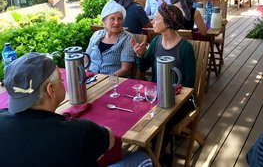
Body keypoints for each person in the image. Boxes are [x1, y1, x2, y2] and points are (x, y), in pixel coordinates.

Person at [0, 52, 151, 167]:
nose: (62, 82)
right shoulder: (79, 131)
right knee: (141, 158)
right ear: (51, 90)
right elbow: (110, 138)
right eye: (61, 79)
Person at [131, 3, 196, 166]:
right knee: (136, 108)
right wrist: (140, 55)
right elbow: (144, 67)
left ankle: (162, 151)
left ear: (167, 23)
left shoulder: (185, 48)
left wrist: (170, 94)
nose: (152, 21)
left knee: (162, 119)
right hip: (156, 97)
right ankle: (152, 149)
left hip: (182, 101)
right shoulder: (156, 43)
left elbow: (189, 84)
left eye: (157, 19)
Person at [86, 0, 135, 76]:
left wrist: (108, 80)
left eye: (119, 19)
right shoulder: (96, 35)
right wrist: (85, 72)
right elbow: (86, 57)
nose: (116, 22)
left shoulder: (127, 38)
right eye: (112, 18)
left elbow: (125, 69)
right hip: (91, 78)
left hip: (113, 81)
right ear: (104, 21)